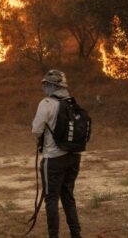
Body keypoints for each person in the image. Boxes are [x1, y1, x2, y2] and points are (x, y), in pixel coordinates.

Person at [31, 69, 82, 238]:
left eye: (45, 84)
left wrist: (42, 140)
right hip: (73, 157)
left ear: (52, 85)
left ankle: (53, 236)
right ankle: (76, 234)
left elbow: (36, 130)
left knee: (51, 199)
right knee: (68, 196)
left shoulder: (46, 104)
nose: (44, 87)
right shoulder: (71, 102)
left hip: (53, 159)